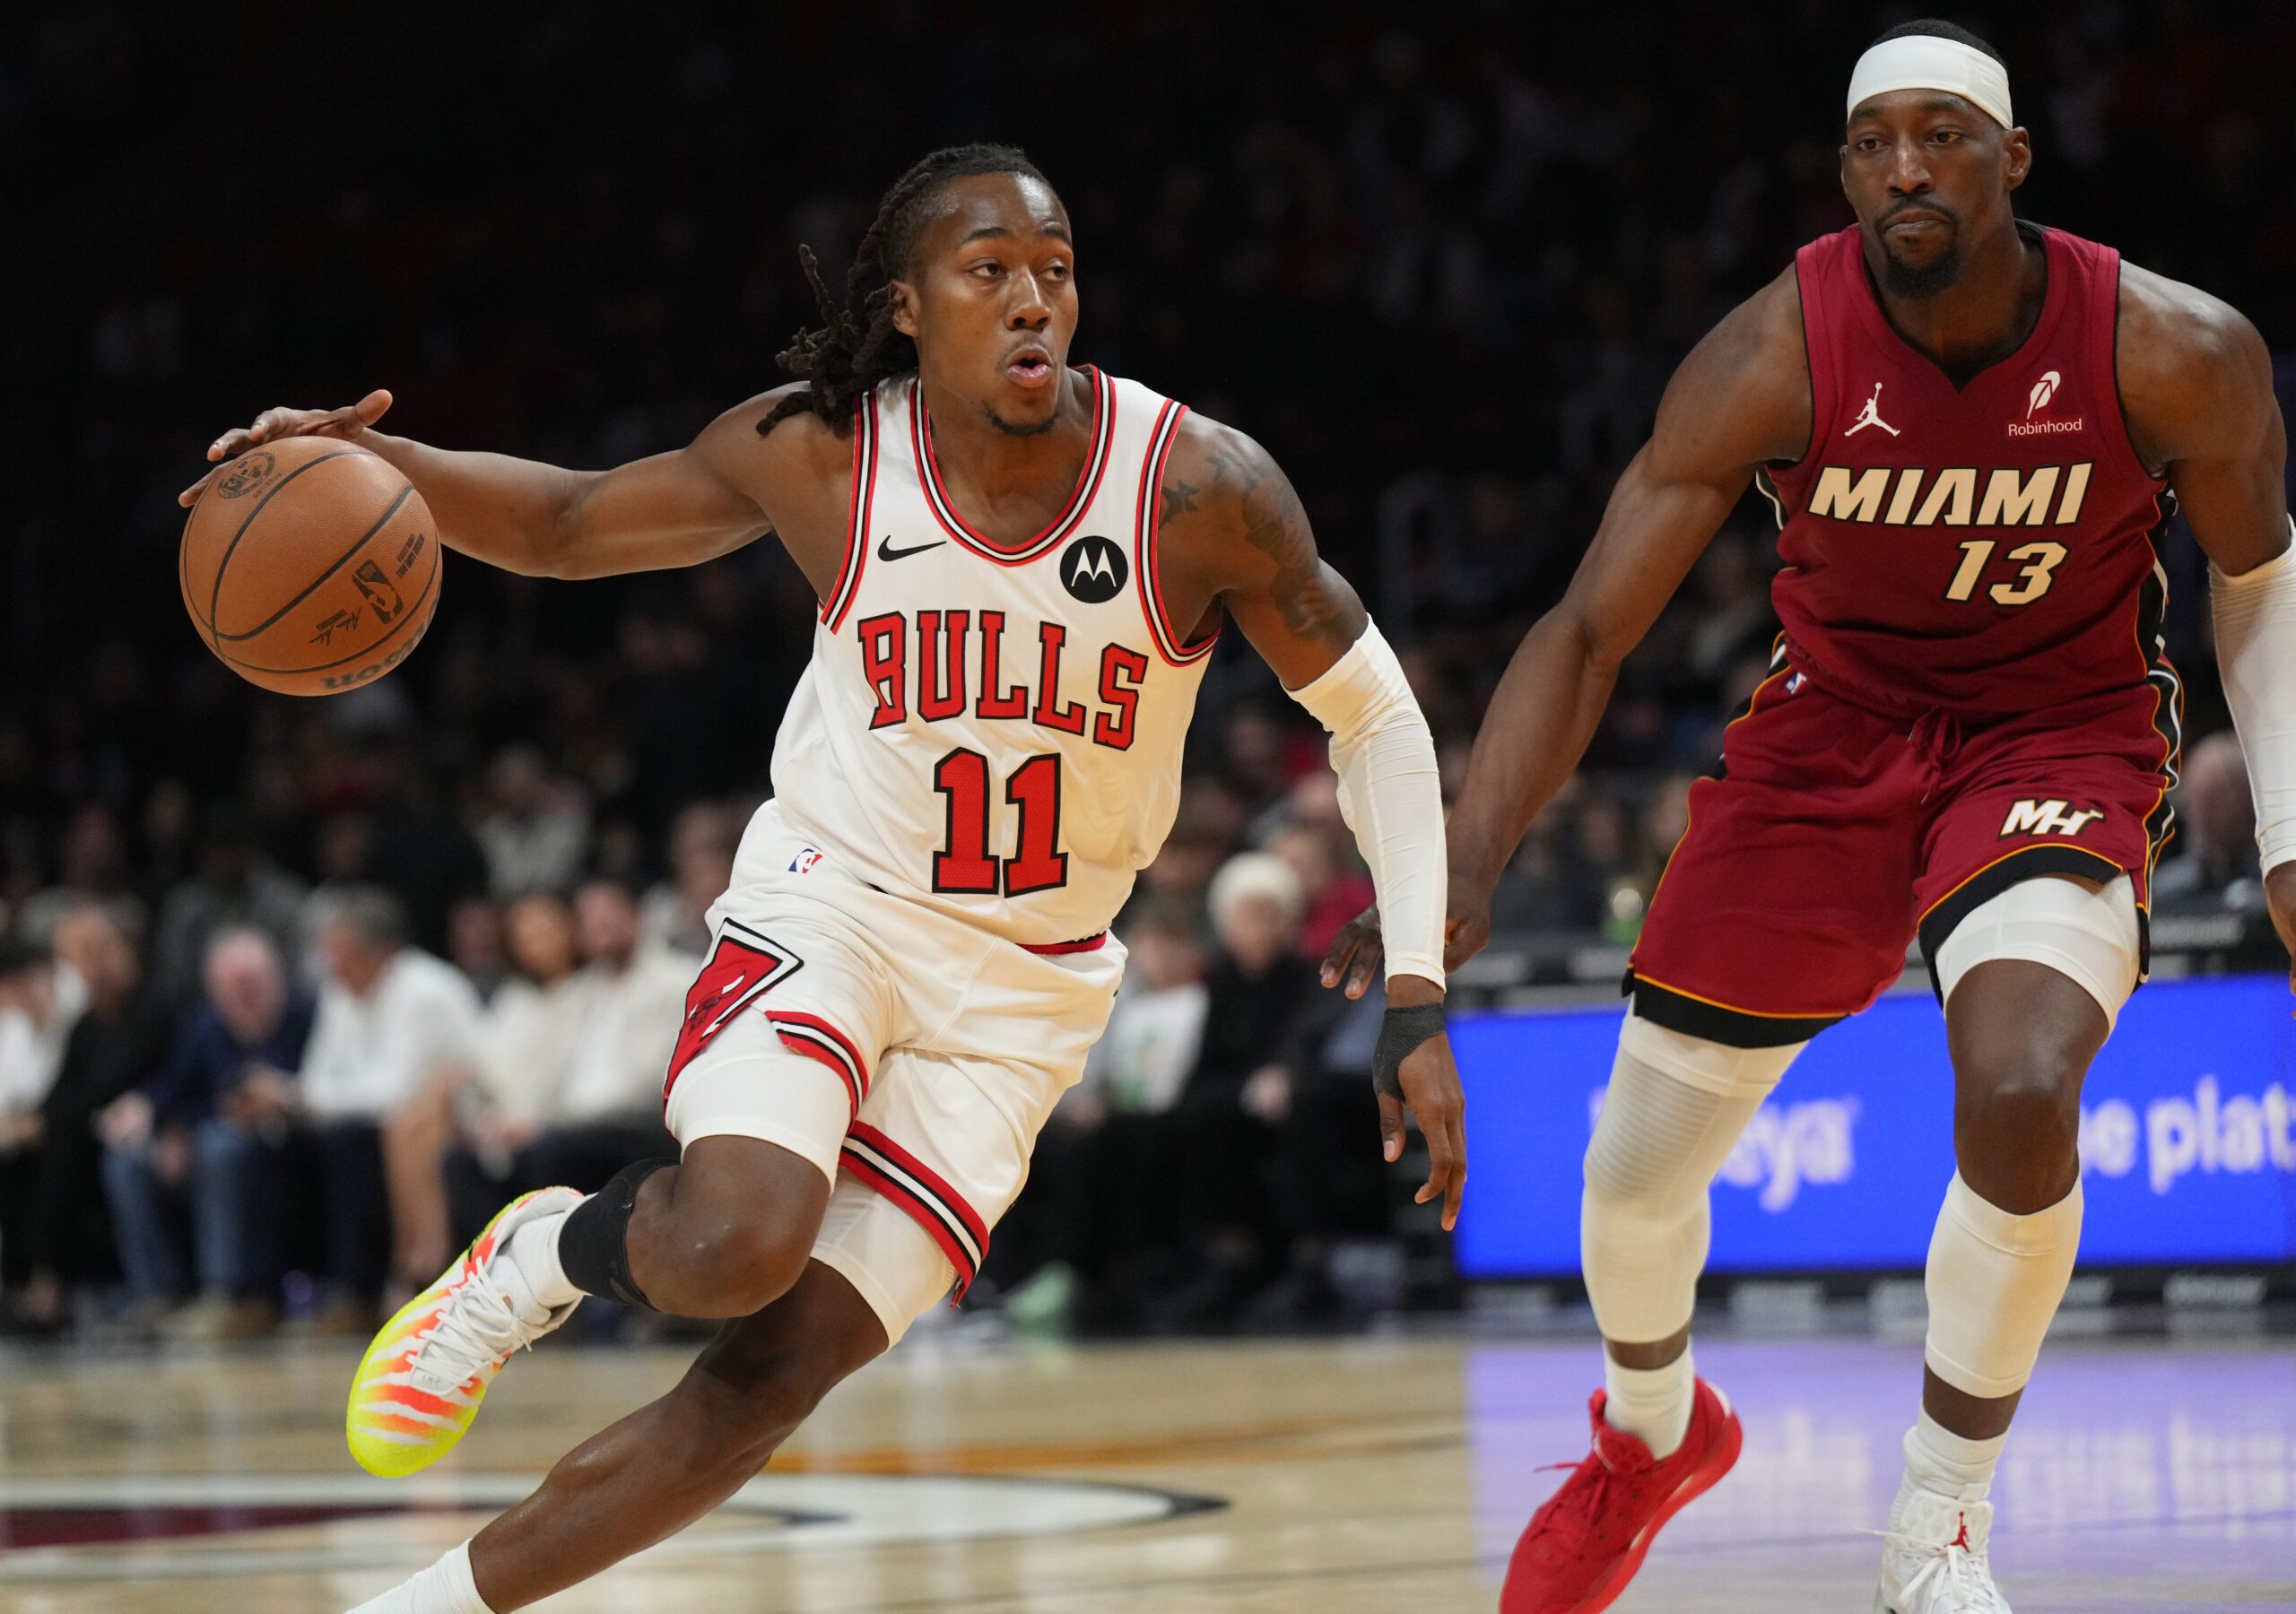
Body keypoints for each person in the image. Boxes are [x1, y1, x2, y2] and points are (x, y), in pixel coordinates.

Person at [186, 143, 1464, 1614]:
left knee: (762, 1388)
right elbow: (566, 522)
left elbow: (1372, 712)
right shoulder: (828, 453)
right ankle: (537, 1253)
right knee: (733, 1240)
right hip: (836, 902)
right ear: (910, 305)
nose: (1034, 299)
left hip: (1028, 996)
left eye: (1054, 270)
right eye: (990, 273)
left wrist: (1420, 993)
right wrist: (370, 468)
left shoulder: (1200, 488)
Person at [1326, 22, 2293, 1613]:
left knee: (2026, 1080)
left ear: (2012, 159)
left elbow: (2261, 584)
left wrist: (2288, 840)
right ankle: (1652, 1437)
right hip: (1826, 747)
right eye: (1872, 144)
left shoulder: (2171, 348)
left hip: (2059, 734)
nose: (1904, 167)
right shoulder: (1772, 349)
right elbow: (1582, 631)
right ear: (1845, 170)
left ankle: (1937, 1525)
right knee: (1631, 1178)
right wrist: (1469, 861)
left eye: (1941, 136)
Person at [295, 888, 483, 1333]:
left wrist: (312, 1100)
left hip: (452, 1119)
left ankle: (380, 1282)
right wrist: (307, 1100)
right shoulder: (340, 993)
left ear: (379, 951)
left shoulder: (423, 991)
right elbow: (315, 1080)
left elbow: (394, 1091)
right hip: (384, 1122)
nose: (332, 964)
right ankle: (334, 1288)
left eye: (340, 953)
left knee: (354, 1143)